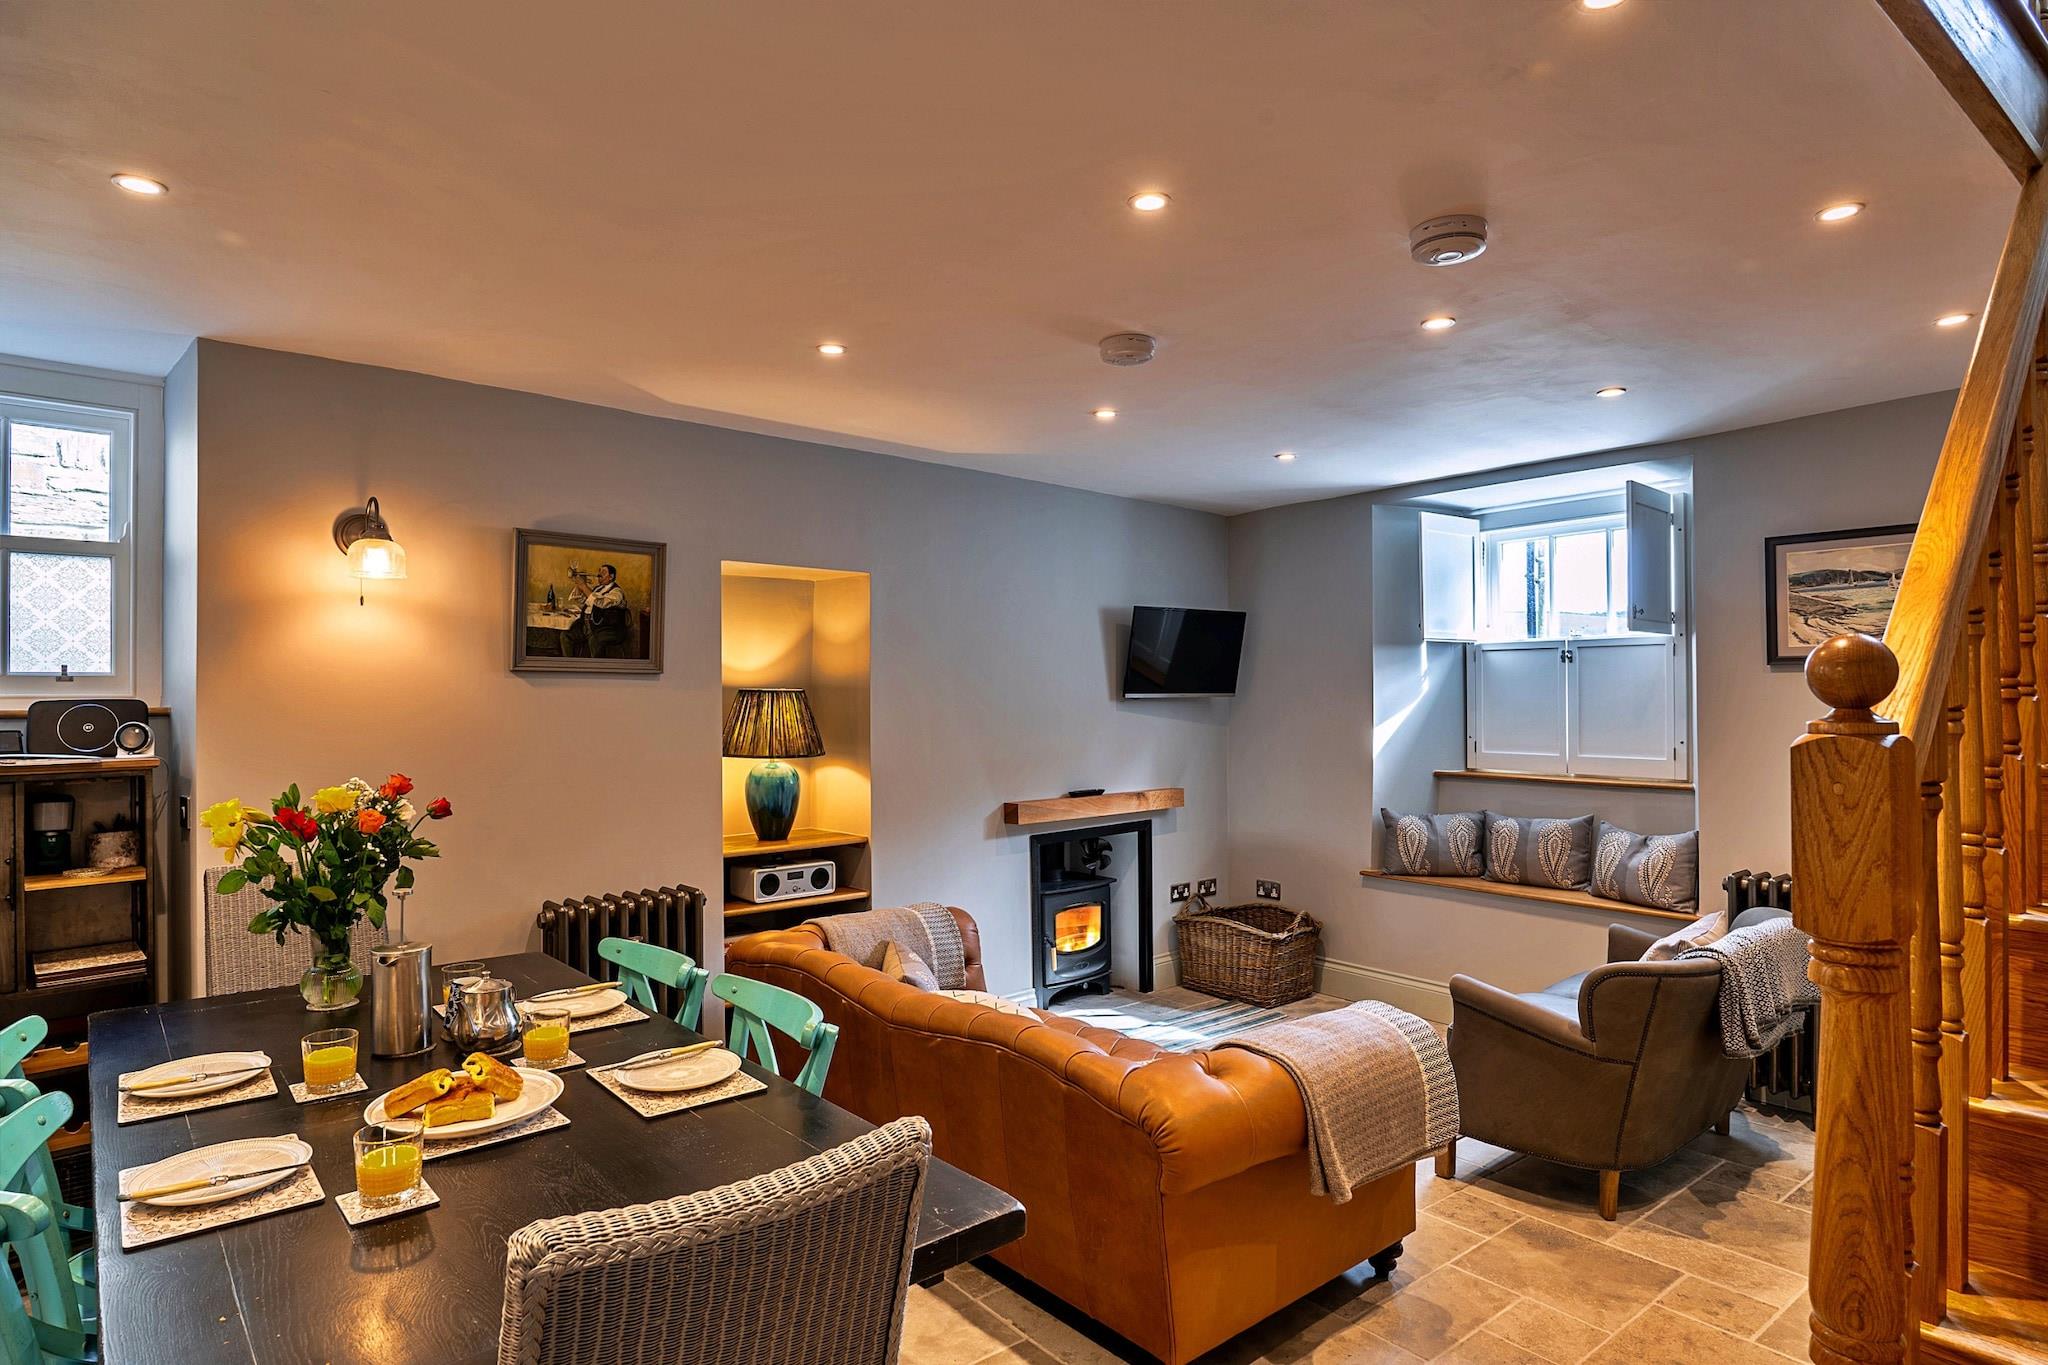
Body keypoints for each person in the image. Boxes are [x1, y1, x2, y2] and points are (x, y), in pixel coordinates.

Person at [571, 562, 633, 658]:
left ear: (611, 577)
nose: (599, 574)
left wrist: (584, 586)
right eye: (599, 571)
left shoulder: (617, 592)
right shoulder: (598, 588)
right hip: (590, 625)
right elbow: (582, 600)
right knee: (566, 636)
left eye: (603, 572)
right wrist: (579, 586)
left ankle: (595, 665)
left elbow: (601, 603)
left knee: (594, 640)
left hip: (608, 628)